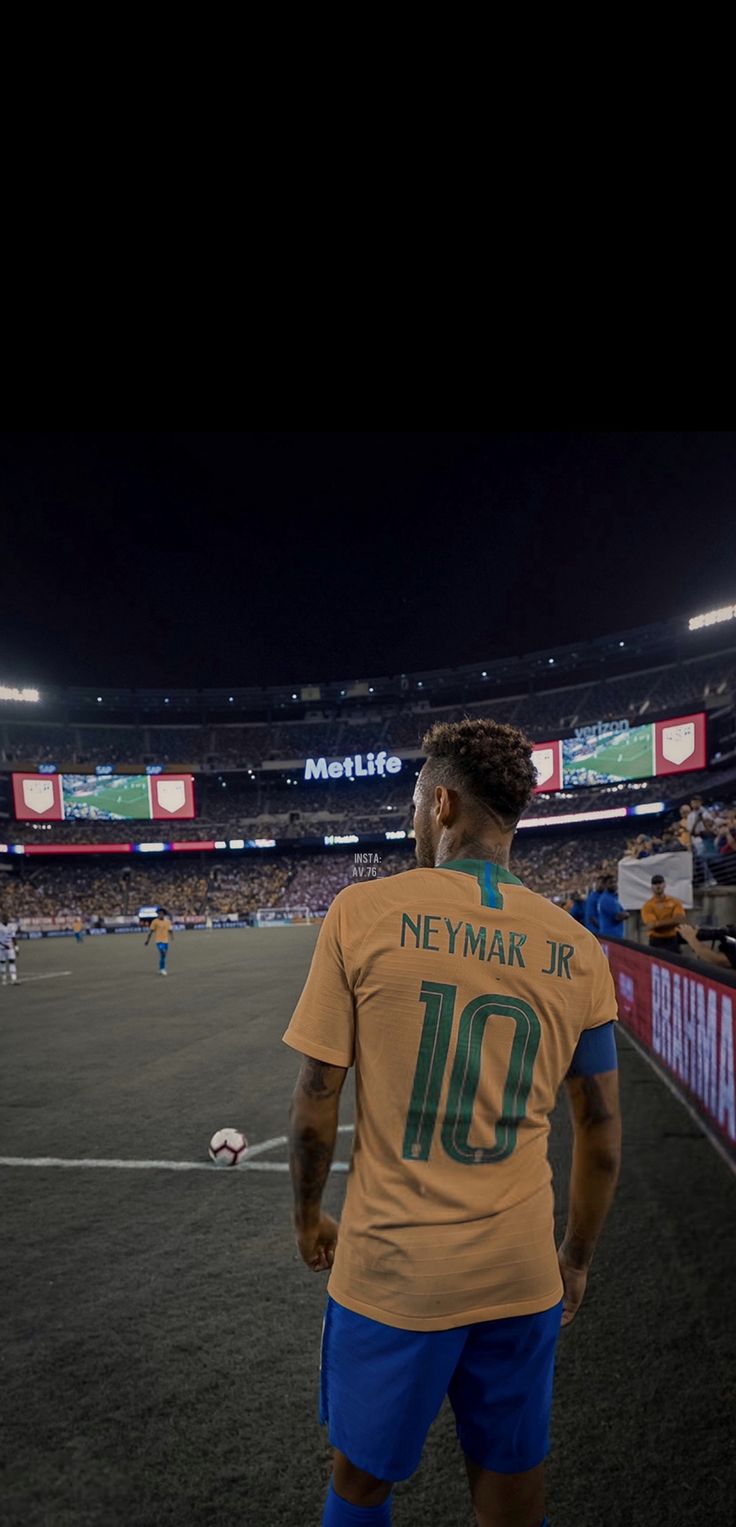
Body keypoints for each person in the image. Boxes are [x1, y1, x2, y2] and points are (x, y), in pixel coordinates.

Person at [283, 718, 621, 1527]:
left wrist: (306, 1218)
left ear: (441, 802)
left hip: (394, 1269)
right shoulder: (577, 947)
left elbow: (315, 1100)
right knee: (513, 1497)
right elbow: (601, 1133)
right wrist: (573, 1256)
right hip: (518, 1272)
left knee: (361, 1485)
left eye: (412, 803)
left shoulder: (364, 911)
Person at [640, 874, 686, 953]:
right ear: (652, 887)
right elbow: (652, 926)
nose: (658, 886)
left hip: (672, 939)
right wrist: (672, 922)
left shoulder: (675, 902)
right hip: (656, 941)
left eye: (660, 883)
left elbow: (679, 919)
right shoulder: (648, 905)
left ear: (664, 885)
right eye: (655, 884)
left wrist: (658, 924)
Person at [144, 906, 174, 974]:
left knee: (163, 956)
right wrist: (147, 940)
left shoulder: (167, 922)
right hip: (159, 941)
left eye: (161, 913)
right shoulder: (155, 922)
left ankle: (161, 968)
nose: (160, 915)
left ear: (164, 914)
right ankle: (162, 969)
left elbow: (170, 930)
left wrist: (172, 936)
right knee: (162, 951)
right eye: (159, 913)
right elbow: (151, 932)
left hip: (166, 941)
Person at [0, 909, 18, 985]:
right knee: (2, 963)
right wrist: (4, 945)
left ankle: (14, 980)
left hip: (10, 948)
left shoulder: (12, 926)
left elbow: (13, 938)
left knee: (12, 962)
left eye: (7, 918)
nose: (6, 919)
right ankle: (4, 980)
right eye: (5, 918)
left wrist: (16, 947)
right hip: (1, 948)